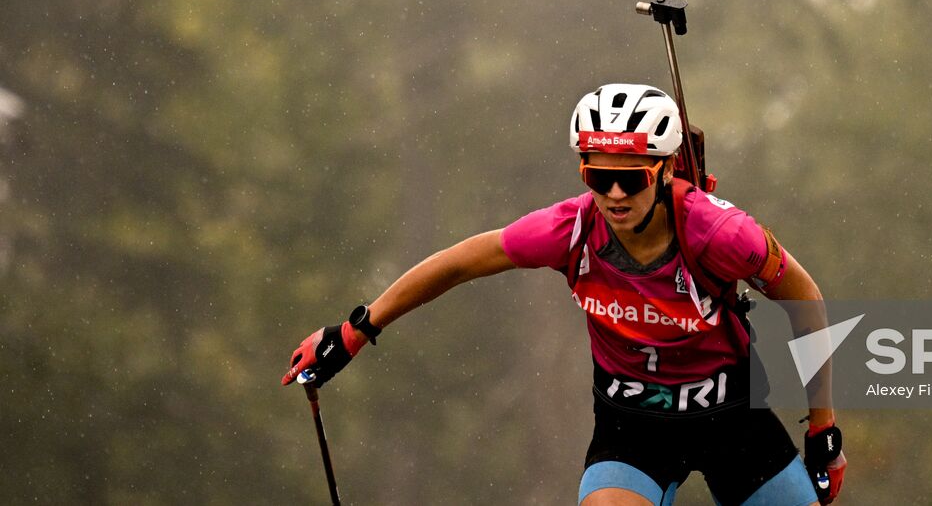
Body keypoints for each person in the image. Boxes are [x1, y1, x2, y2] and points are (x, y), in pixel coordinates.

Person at [283, 82, 847, 505]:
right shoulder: (569, 230)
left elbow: (806, 299)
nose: (617, 193)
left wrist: (822, 426)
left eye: (634, 176)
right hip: (633, 425)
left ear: (667, 168)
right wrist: (356, 329)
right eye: (600, 177)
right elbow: (457, 264)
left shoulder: (720, 233)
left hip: (731, 419)